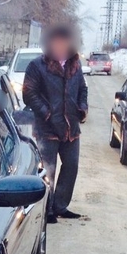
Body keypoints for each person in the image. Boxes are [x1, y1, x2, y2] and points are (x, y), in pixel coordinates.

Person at [21, 24, 88, 221]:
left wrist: (82, 108)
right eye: (56, 42)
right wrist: (47, 113)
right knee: (47, 170)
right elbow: (28, 94)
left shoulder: (75, 65)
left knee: (71, 166)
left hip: (70, 129)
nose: (60, 45)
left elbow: (83, 89)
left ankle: (60, 205)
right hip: (47, 129)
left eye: (64, 42)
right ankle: (47, 209)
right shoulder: (37, 65)